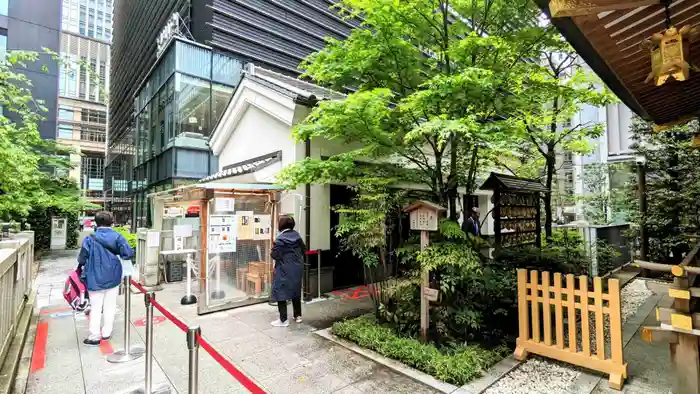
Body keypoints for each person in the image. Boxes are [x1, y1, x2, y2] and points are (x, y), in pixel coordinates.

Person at [77, 211, 134, 346]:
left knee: (96, 306)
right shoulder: (118, 236)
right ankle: (107, 332)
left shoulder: (90, 238)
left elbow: (82, 258)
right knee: (110, 305)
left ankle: (94, 335)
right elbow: (127, 253)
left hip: (94, 276)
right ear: (112, 222)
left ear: (96, 223)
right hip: (113, 276)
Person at [270, 215, 305, 327]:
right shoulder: (297, 236)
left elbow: (275, 255)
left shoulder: (280, 239)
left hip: (284, 269)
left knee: (280, 291)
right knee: (296, 290)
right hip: (297, 268)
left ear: (281, 225)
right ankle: (298, 315)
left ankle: (283, 320)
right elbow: (304, 250)